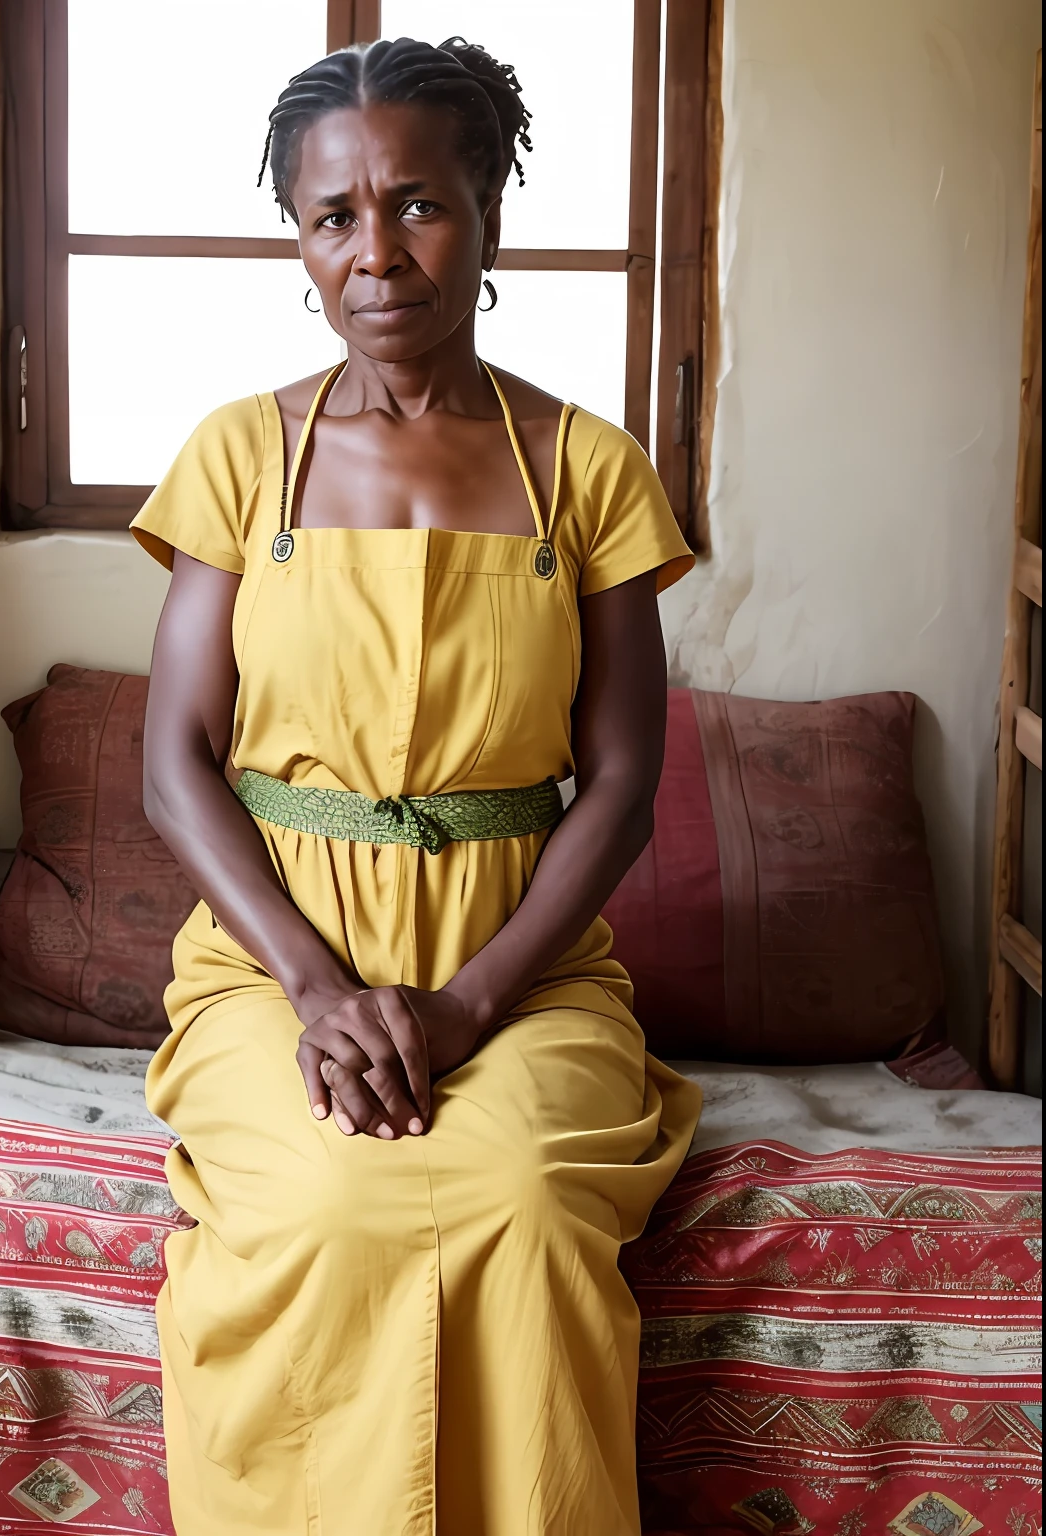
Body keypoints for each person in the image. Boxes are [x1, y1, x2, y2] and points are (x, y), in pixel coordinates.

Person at [133, 34, 700, 1536]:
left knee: (517, 1197)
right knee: (322, 1200)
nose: (377, 252)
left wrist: (467, 1005)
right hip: (271, 968)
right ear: (300, 245)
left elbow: (625, 780)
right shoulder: (241, 459)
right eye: (335, 217)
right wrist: (318, 991)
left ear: (488, 205)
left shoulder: (587, 469)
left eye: (418, 203)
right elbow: (175, 763)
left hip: (524, 965)